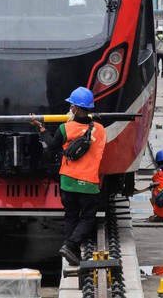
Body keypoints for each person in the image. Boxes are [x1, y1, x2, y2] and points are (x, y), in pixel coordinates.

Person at [30, 87, 107, 267]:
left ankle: (72, 252)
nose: (70, 108)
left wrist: (41, 129)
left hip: (67, 182)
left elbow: (51, 149)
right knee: (88, 218)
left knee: (71, 216)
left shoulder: (65, 128)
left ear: (76, 108)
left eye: (72, 106)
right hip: (88, 183)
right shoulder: (101, 130)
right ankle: (71, 245)